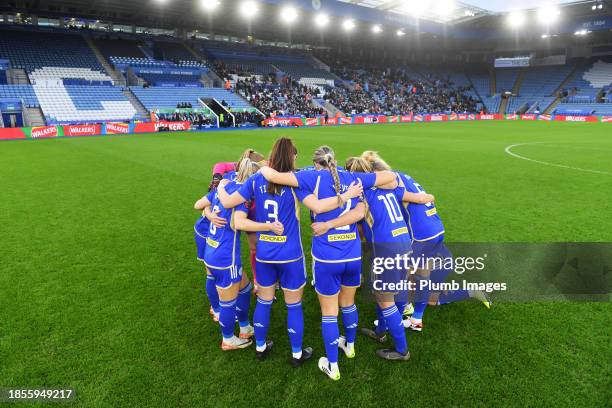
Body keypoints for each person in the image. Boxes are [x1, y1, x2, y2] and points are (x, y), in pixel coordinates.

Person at [217, 138, 363, 366]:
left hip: (265, 253)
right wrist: (346, 195)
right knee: (293, 304)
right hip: (291, 255)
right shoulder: (297, 182)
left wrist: (219, 188)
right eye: (295, 155)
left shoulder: (257, 179)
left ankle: (260, 346)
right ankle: (296, 353)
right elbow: (319, 205)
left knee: (264, 301)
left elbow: (227, 203)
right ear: (292, 157)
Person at [260, 146, 396, 381]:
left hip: (327, 258)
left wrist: (259, 166)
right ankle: (350, 346)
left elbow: (272, 176)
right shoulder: (351, 177)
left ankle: (333, 365)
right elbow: (390, 177)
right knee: (349, 304)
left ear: (316, 163)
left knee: (329, 312)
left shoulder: (309, 177)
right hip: (352, 255)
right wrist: (357, 189)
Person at [361, 151, 490, 333]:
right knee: (422, 280)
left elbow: (418, 199)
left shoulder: (389, 183)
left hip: (420, 234)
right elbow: (425, 197)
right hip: (436, 229)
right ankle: (416, 315)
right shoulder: (403, 175)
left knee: (405, 275)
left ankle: (403, 315)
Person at [340, 157, 432, 361]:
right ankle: (381, 331)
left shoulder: (360, 195)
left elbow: (354, 215)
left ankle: (402, 350)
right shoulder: (389, 189)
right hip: (405, 243)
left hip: (387, 250)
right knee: (397, 292)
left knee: (384, 299)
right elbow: (408, 194)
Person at [201, 158, 273, 351]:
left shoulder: (226, 184)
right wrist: (269, 226)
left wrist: (208, 213)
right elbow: (238, 223)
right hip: (226, 258)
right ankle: (228, 339)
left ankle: (244, 327)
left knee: (245, 287)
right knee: (228, 302)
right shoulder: (241, 198)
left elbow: (200, 203)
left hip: (211, 251)